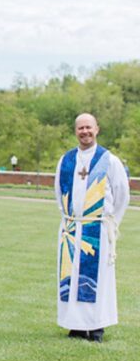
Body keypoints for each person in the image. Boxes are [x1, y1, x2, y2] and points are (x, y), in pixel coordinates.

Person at [54, 113, 129, 342]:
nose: (84, 132)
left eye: (88, 127)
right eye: (80, 128)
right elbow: (58, 192)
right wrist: (70, 217)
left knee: (98, 279)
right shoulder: (66, 160)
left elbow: (122, 195)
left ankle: (96, 327)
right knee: (72, 278)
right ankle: (75, 326)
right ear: (75, 131)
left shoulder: (109, 160)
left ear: (97, 129)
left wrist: (109, 222)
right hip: (71, 228)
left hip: (97, 228)